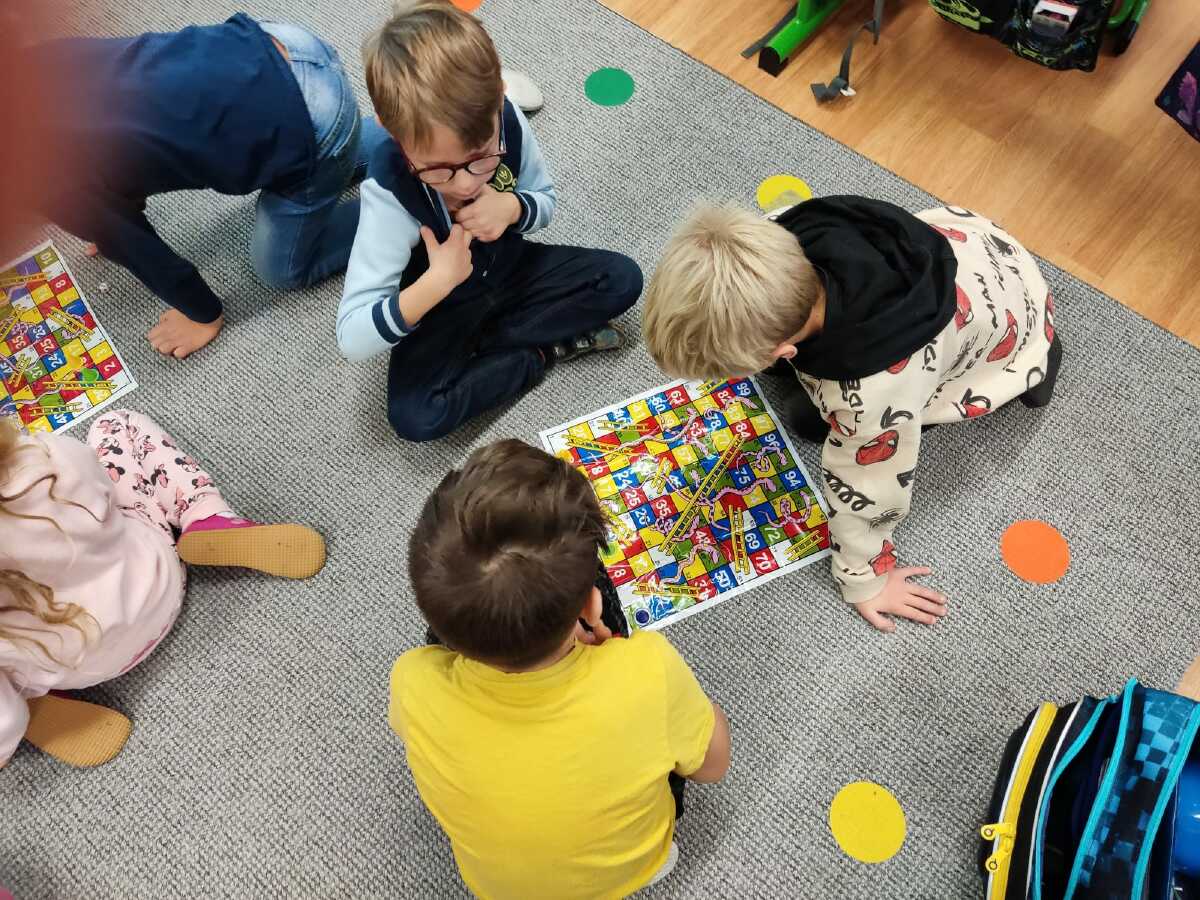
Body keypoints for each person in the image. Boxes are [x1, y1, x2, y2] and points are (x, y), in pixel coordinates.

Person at [642, 197, 1062, 633]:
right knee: (805, 406)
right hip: (978, 247)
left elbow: (871, 490)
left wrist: (864, 579)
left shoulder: (870, 397)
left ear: (782, 352)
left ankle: (1041, 365)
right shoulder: (784, 232)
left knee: (811, 422)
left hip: (1011, 341)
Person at [389, 439, 731, 897]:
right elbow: (712, 767)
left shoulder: (413, 679)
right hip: (639, 865)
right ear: (591, 607)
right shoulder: (647, 667)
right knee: (670, 742)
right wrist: (627, 665)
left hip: (498, 888)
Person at [337, 1, 642, 442]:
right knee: (416, 417)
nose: (464, 184)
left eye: (481, 158)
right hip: (443, 304)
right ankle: (538, 353)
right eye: (438, 170)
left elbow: (545, 200)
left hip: (510, 267)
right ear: (389, 131)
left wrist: (513, 207)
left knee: (621, 279)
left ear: (499, 96)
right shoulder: (388, 192)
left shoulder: (507, 118)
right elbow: (352, 335)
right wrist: (435, 283)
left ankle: (485, 346)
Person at [30, 15, 391, 358]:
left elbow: (139, 249)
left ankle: (403, 202)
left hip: (314, 121)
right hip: (281, 46)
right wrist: (94, 213)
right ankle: (408, 134)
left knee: (283, 270)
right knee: (335, 146)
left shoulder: (45, 175)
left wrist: (202, 314)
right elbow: (120, 129)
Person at [0, 411, 326, 767]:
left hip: (77, 666)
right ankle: (206, 516)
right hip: (158, 581)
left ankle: (32, 705)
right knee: (115, 425)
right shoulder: (44, 456)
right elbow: (99, 486)